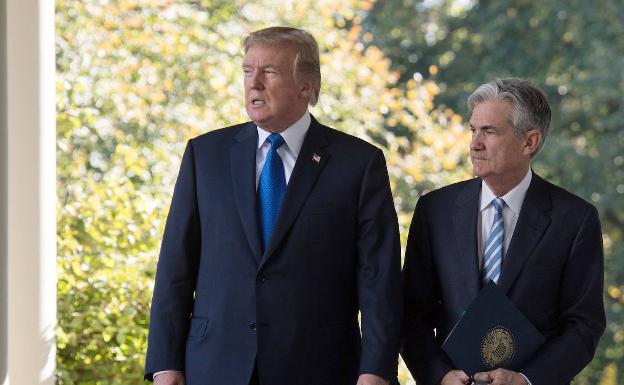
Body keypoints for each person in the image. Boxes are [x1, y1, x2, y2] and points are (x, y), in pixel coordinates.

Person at [144, 26, 402, 385]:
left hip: (320, 367)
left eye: (270, 72)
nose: (254, 83)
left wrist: (375, 371)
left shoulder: (358, 164)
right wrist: (164, 362)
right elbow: (175, 265)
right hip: (214, 365)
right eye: (248, 71)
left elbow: (379, 279)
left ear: (306, 86)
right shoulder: (205, 155)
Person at [401, 78, 605, 385]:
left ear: (529, 142)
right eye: (473, 130)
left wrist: (525, 379)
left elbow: (583, 325)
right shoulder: (435, 210)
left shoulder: (575, 219)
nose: (475, 143)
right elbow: (410, 312)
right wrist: (439, 376)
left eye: (489, 131)